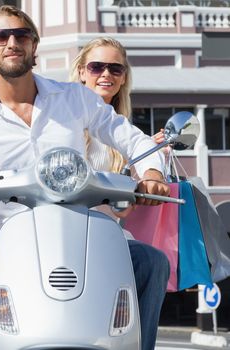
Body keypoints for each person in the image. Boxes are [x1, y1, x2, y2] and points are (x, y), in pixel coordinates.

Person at [0, 6, 170, 350]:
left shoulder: (74, 98)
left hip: (85, 230)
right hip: (10, 234)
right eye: (1, 36)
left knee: (151, 262)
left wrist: (150, 171)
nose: (12, 42)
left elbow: (128, 135)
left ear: (34, 46)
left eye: (22, 35)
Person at [69, 37, 170, 350]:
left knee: (152, 261)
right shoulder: (60, 120)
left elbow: (124, 210)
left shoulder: (126, 135)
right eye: (97, 66)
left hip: (103, 232)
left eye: (116, 68)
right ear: (82, 72)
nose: (106, 74)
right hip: (54, 225)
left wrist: (153, 167)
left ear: (124, 76)